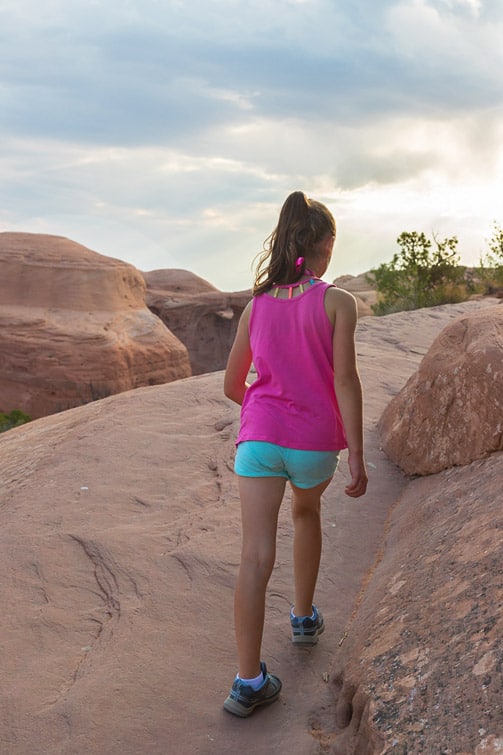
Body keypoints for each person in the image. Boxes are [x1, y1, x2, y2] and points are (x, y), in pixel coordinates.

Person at [222, 190, 368, 718]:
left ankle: (246, 682)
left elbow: (232, 385)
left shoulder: (255, 306)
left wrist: (264, 413)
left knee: (254, 554)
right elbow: (347, 381)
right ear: (326, 245)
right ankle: (304, 619)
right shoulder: (338, 302)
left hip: (258, 442)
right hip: (313, 444)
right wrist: (355, 452)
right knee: (306, 514)